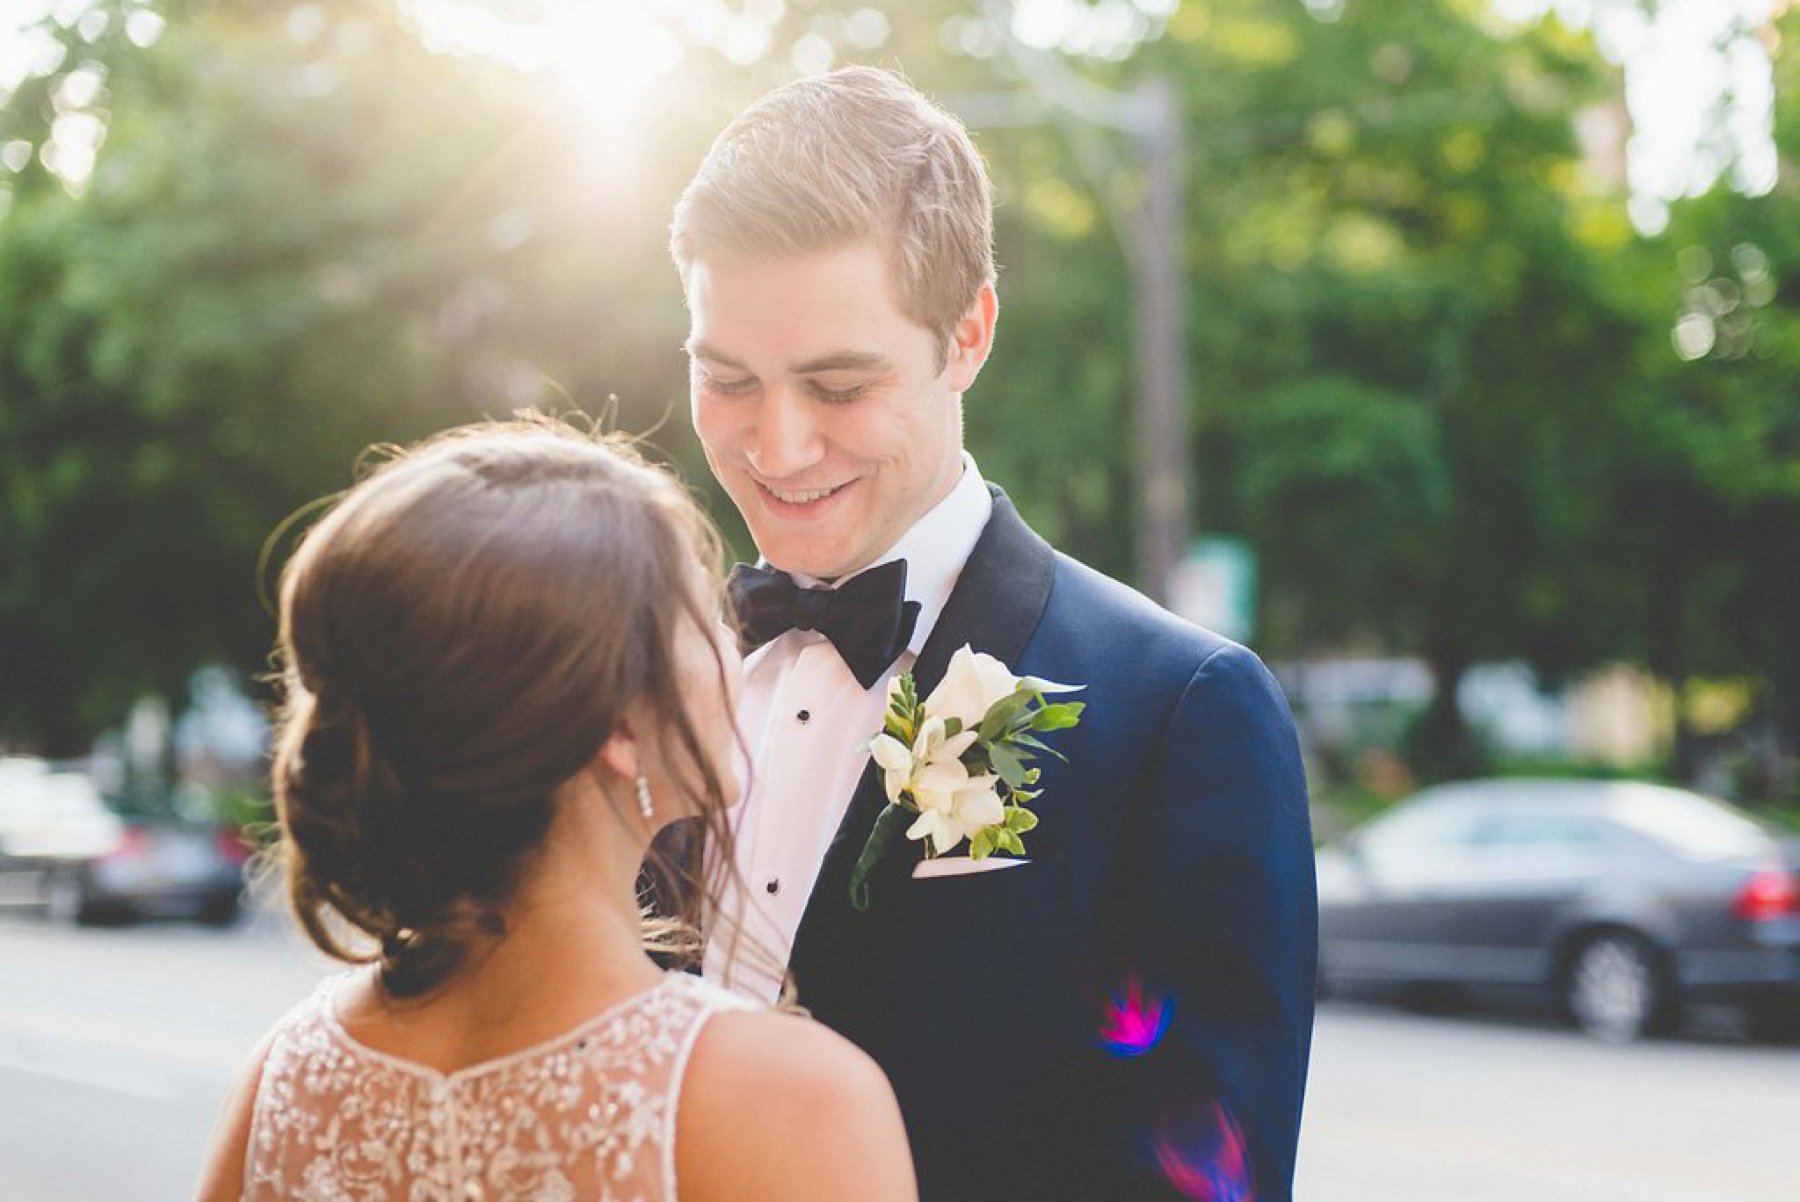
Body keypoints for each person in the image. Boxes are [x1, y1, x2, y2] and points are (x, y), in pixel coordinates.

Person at [671, 67, 1317, 1200]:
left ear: (967, 333)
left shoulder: (1180, 710)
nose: (775, 447)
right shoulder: (644, 673)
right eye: (727, 380)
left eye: (837, 384)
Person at [195, 419, 915, 1202]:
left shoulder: (286, 1082)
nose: (732, 637)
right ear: (617, 724)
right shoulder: (795, 1105)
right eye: (697, 612)